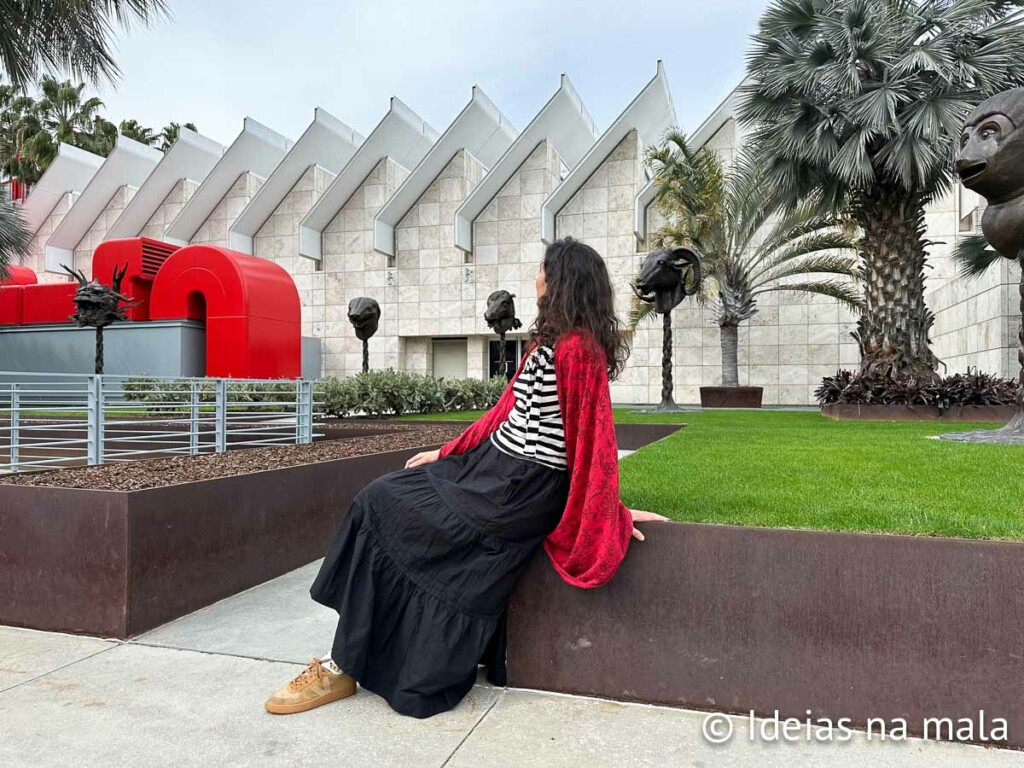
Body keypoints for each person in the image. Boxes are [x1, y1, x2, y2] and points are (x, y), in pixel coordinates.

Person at [264, 236, 666, 719]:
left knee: (393, 510)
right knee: (379, 498)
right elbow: (504, 412)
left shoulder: (579, 349)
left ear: (563, 280)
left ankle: (344, 663)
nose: (536, 275)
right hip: (491, 468)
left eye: (543, 268)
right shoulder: (549, 339)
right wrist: (445, 450)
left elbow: (593, 440)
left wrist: (609, 512)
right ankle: (349, 657)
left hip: (518, 487)